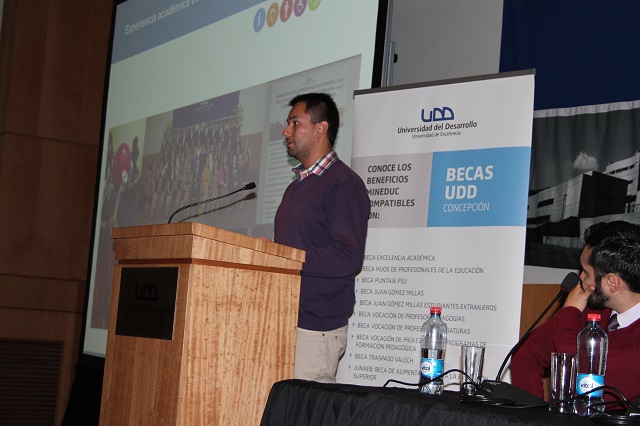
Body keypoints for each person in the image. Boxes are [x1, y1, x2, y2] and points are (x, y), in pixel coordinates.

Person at [274, 92, 370, 383]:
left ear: (320, 128)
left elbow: (347, 256)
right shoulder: (295, 188)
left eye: (295, 123)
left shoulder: (344, 184)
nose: (286, 131)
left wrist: (287, 257)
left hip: (315, 330)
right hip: (281, 318)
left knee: (304, 408)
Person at [511, 220, 640, 406]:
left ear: (612, 283)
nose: (580, 277)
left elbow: (586, 374)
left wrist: (568, 313)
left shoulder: (573, 314)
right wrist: (533, 416)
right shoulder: (590, 308)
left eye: (586, 272)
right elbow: (527, 354)